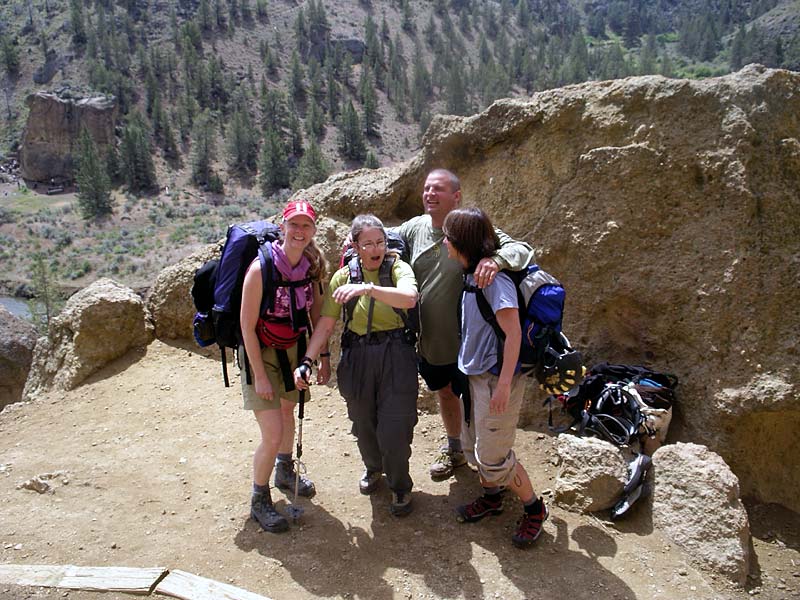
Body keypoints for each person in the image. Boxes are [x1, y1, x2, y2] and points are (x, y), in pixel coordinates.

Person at [395, 169, 534, 480]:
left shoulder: (469, 232)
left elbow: (522, 250)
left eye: (439, 189)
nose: (430, 194)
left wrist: (496, 261)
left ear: (456, 197)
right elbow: (384, 237)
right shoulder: (414, 228)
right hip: (432, 340)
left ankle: (489, 462)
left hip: (471, 344)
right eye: (427, 189)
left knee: (475, 401)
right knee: (445, 393)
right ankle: (456, 449)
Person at [294, 214, 419, 517]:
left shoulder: (397, 268)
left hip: (396, 354)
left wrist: (368, 289)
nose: (376, 248)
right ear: (355, 246)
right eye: (368, 244)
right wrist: (308, 361)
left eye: (380, 242)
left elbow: (409, 298)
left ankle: (400, 485)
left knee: (394, 427)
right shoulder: (343, 277)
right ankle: (374, 468)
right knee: (363, 423)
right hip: (358, 356)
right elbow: (325, 325)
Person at [443, 206, 548, 549]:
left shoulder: (493, 280)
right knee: (475, 446)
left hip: (494, 381)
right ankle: (492, 497)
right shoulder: (472, 273)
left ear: (462, 243)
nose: (444, 243)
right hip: (474, 377)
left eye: (448, 238)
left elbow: (514, 335)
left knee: (493, 456)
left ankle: (534, 508)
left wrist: (504, 385)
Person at [240, 199, 330, 533]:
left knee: (288, 413)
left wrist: (320, 357)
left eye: (306, 226)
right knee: (273, 430)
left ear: (313, 231)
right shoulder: (260, 269)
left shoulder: (312, 266)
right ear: (283, 226)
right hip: (259, 352)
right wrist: (260, 376)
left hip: (293, 349)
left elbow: (317, 316)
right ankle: (259, 499)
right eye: (294, 224)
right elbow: (246, 327)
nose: (300, 231)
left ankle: (284, 469)